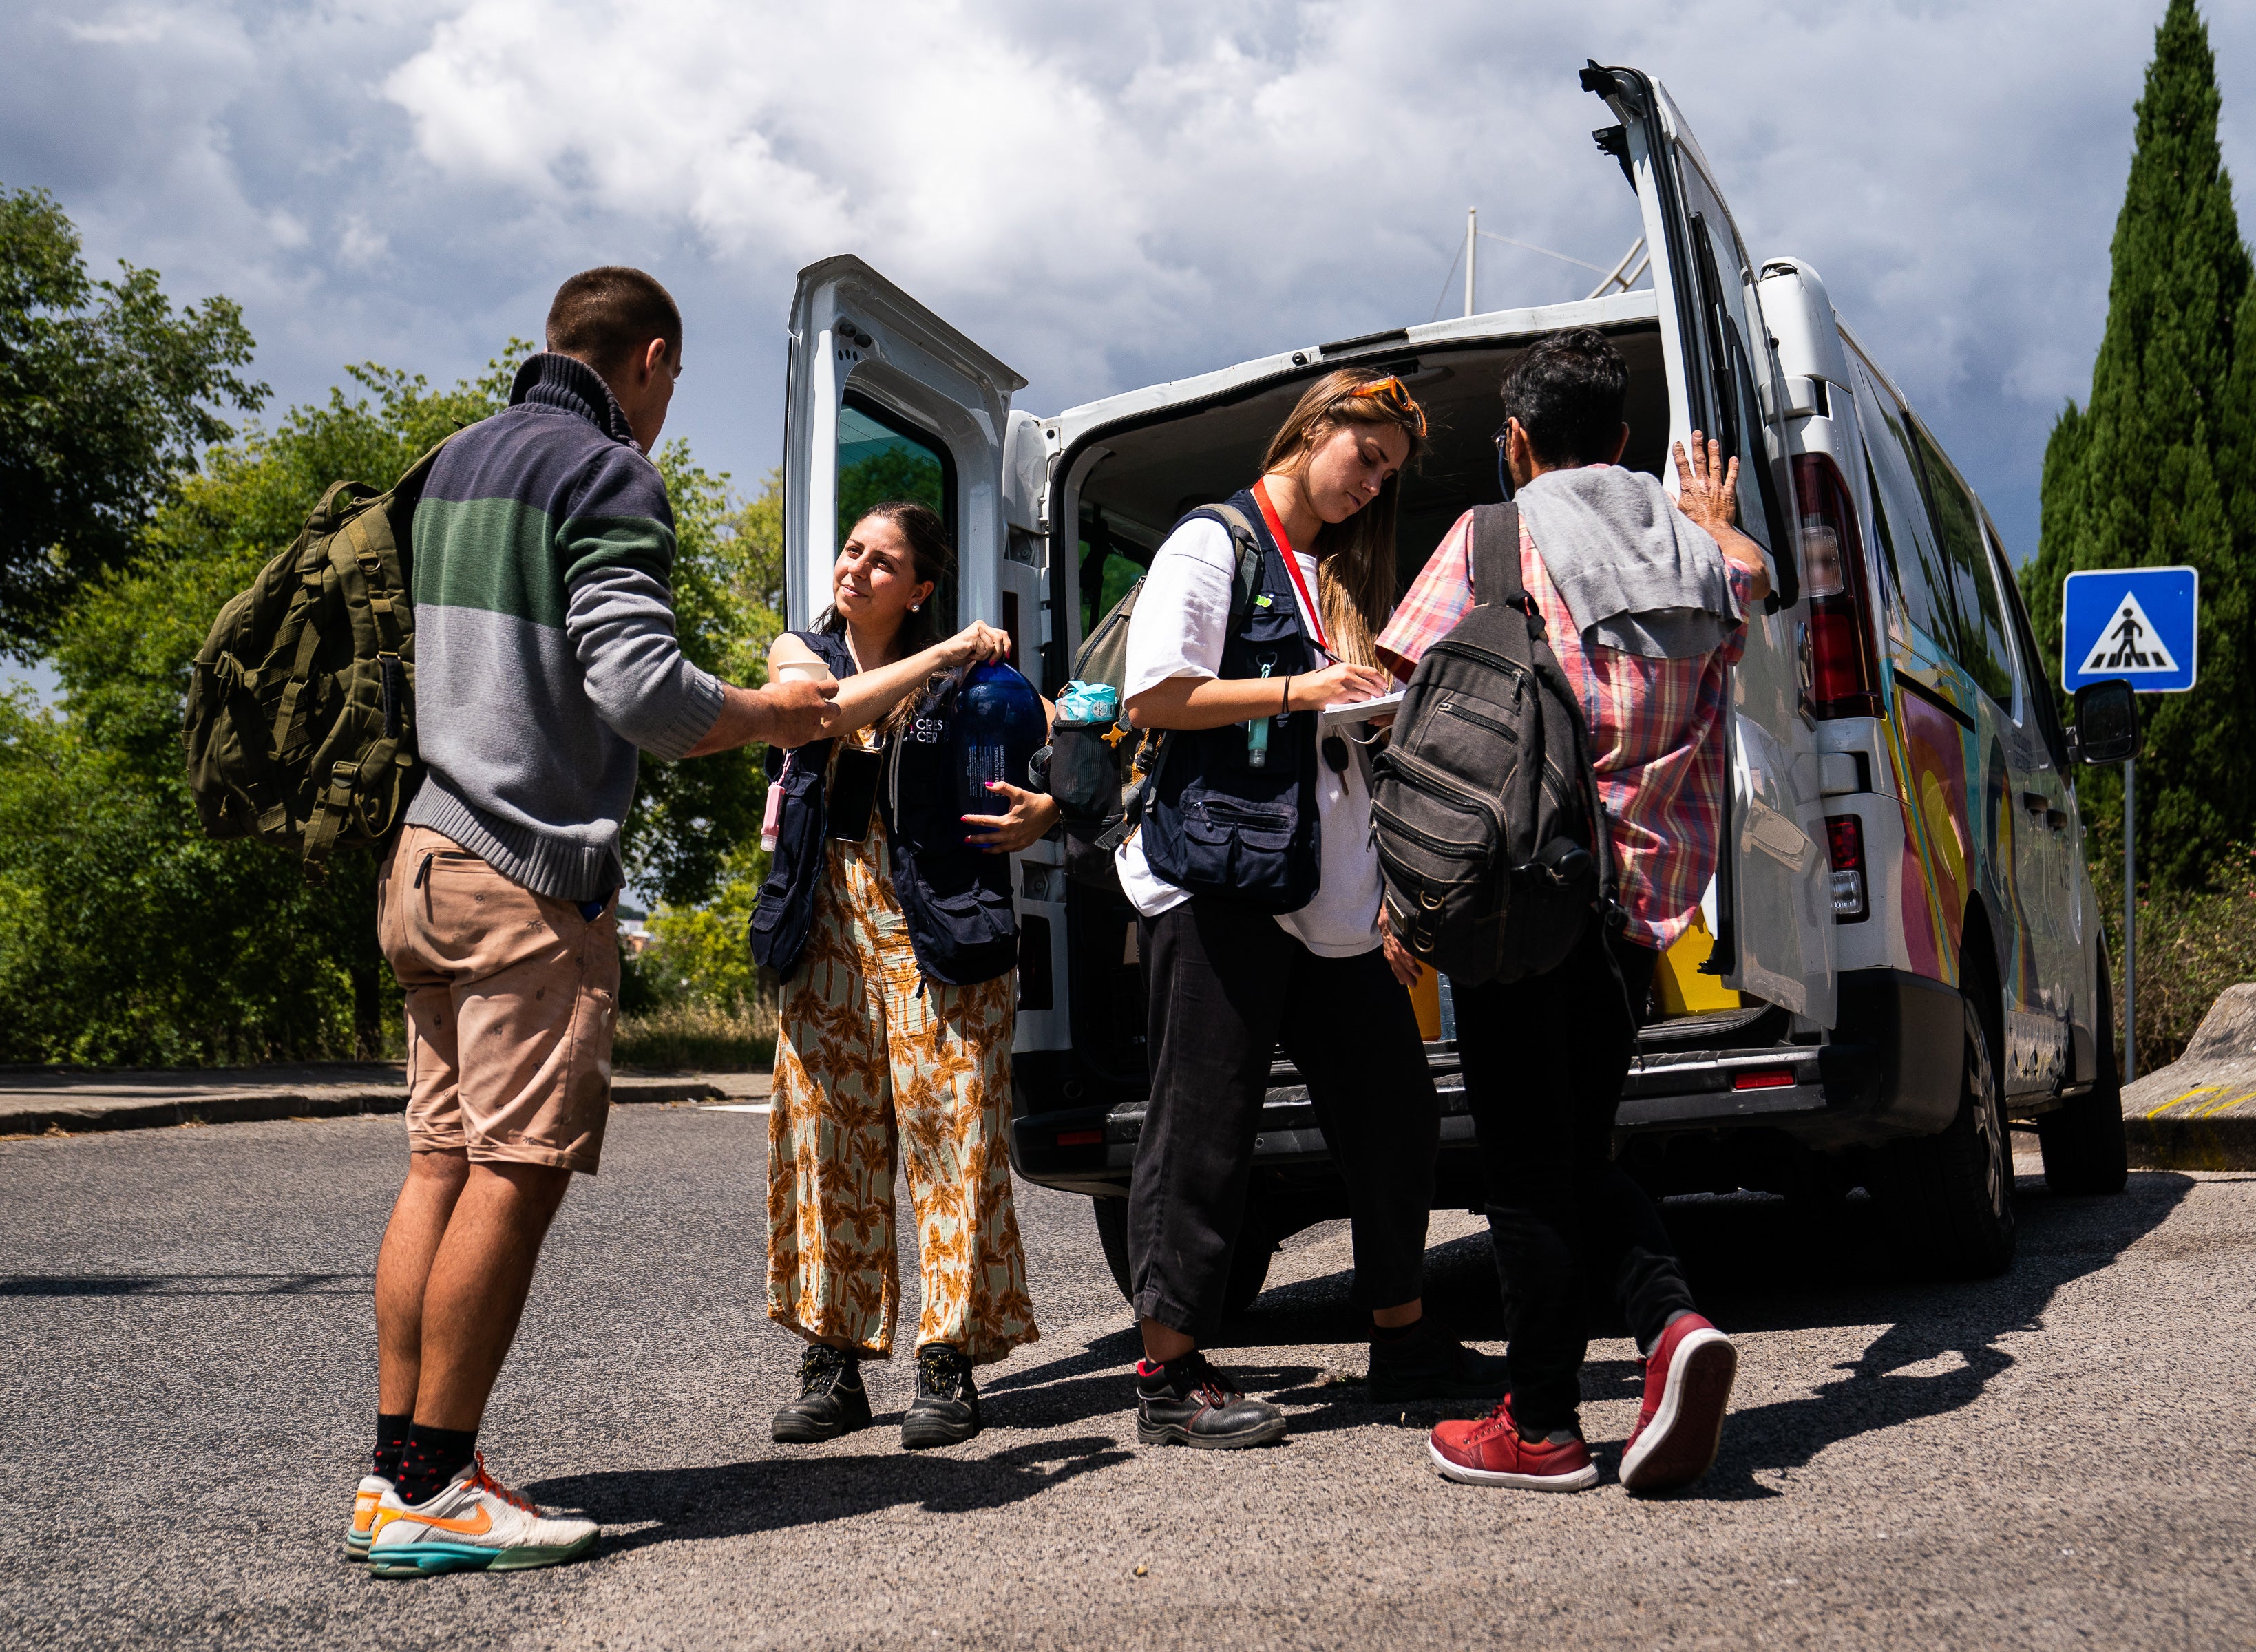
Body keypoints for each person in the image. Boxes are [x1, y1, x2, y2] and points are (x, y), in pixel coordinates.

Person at [354, 266, 838, 1576]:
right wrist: (766, 715)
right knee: (516, 1170)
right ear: (652, 358)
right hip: (523, 869)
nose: (670, 407)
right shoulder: (605, 470)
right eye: (674, 383)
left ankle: (394, 1472)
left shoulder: (453, 463)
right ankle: (440, 1487)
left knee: (438, 1164)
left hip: (423, 852)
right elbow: (637, 688)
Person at [1375, 328, 1763, 1494]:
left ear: (1517, 442)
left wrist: (1405, 893)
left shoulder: (1495, 534)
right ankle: (1662, 1332)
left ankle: (1544, 1423)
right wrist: (1710, 514)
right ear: (1627, 440)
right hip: (1637, 912)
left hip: (1511, 900)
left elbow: (1411, 703)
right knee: (1576, 1150)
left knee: (1525, 1172)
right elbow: (1757, 579)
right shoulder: (1698, 555)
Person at [1117, 368, 1506, 1450]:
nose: (1374, 485)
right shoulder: (1214, 541)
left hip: (1321, 892)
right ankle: (1167, 1372)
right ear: (1315, 427)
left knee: (1396, 1115)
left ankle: (1404, 1337)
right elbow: (1157, 694)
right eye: (1366, 457)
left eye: (1388, 472)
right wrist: (1304, 691)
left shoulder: (1309, 567)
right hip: (1218, 884)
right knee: (1203, 1128)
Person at [752, 501, 1057, 1449]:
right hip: (826, 930)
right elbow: (826, 713)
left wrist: (1051, 805)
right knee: (828, 1151)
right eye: (851, 551)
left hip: (943, 932)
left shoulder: (975, 682)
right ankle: (833, 1364)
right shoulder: (797, 652)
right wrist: (945, 652)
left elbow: (1076, 744)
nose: (856, 569)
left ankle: (948, 1364)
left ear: (919, 588)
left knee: (954, 1140)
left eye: (883, 563)